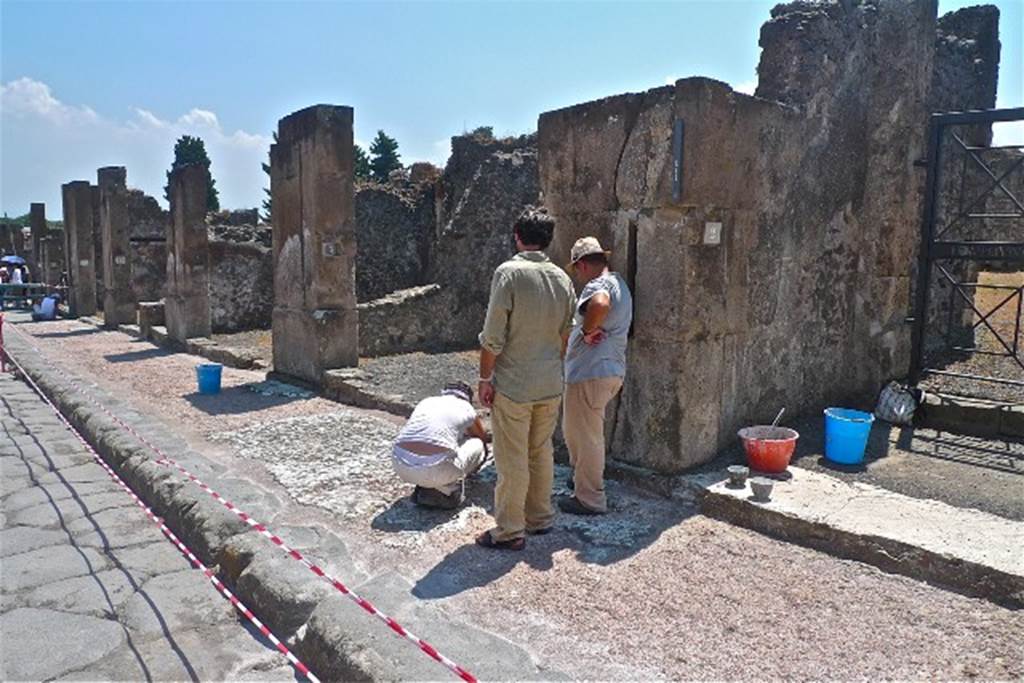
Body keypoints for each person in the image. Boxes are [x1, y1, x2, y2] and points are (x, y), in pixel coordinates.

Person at [476, 206, 576, 550]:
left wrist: (485, 378)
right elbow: (566, 336)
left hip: (515, 383)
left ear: (517, 236)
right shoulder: (562, 278)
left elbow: (492, 336)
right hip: (549, 382)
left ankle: (509, 530)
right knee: (540, 452)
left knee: (511, 457)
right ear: (547, 239)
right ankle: (539, 517)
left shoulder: (509, 273)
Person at [559, 237, 634, 515]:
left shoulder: (599, 286)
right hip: (606, 370)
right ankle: (581, 481)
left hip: (591, 373)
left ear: (583, 264)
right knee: (578, 432)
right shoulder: (620, 284)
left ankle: (589, 499)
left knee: (587, 436)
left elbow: (599, 304)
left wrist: (589, 331)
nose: (578, 275)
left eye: (577, 269)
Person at [391, 381, 490, 510]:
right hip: (436, 471)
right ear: (468, 398)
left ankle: (426, 486)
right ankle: (445, 490)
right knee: (477, 444)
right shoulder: (466, 408)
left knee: (437, 441)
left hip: (400, 465)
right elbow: (481, 437)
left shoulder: (426, 402)